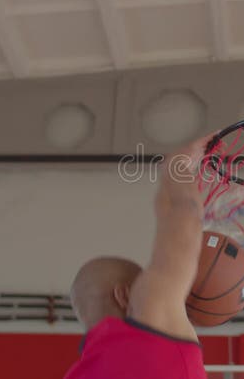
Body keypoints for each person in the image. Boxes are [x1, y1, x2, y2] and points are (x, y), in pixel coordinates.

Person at [64, 136, 211, 379]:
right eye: (145, 282)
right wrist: (176, 166)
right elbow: (185, 216)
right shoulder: (149, 321)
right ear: (124, 294)